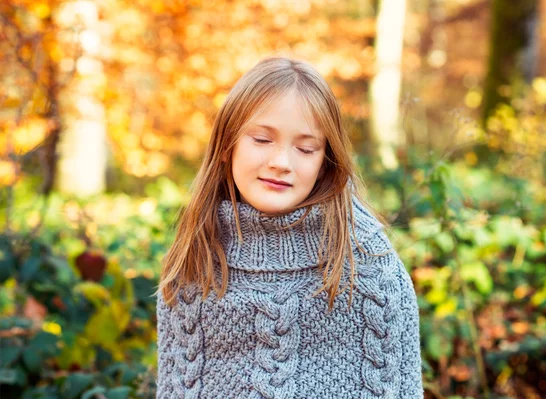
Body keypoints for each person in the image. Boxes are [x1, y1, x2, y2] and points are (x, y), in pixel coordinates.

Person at [155, 56, 423, 398]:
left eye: (305, 148)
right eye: (262, 140)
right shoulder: (194, 263)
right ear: (226, 145)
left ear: (326, 161)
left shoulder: (368, 266)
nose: (281, 162)